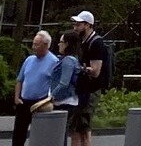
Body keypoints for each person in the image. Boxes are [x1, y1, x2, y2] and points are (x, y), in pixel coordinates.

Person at [13, 31, 61, 146]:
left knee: (39, 134)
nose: (33, 47)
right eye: (33, 44)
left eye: (36, 45)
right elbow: (20, 80)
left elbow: (56, 83)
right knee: (18, 133)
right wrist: (17, 97)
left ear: (46, 45)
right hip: (24, 101)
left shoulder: (54, 62)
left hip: (40, 103)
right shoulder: (29, 60)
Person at [68, 11, 107, 146]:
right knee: (76, 127)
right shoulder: (83, 42)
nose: (75, 28)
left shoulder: (96, 43)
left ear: (87, 25)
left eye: (78, 24)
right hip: (82, 90)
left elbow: (95, 71)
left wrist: (79, 68)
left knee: (84, 128)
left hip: (90, 90)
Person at [50, 35, 82, 114]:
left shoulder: (68, 60)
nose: (58, 44)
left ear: (67, 44)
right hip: (63, 102)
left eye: (61, 42)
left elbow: (64, 83)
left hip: (65, 102)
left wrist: (51, 96)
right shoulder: (67, 59)